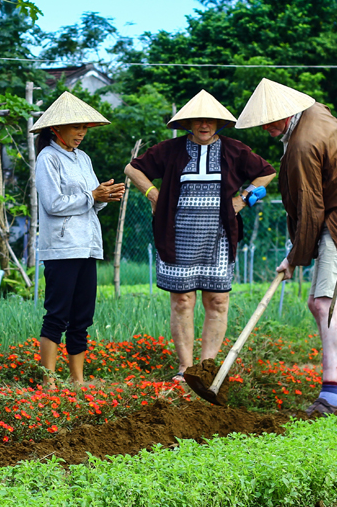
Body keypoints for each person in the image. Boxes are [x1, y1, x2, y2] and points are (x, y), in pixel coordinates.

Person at [235, 78, 337, 417]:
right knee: (320, 304)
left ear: (288, 111)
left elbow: (310, 207)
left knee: (324, 303)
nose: (267, 127)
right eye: (262, 121)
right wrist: (295, 255)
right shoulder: (313, 113)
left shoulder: (303, 142)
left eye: (272, 119)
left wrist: (294, 258)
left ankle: (331, 395)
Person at [125, 90, 276, 382]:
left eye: (210, 121)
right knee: (182, 300)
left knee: (217, 299)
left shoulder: (234, 149)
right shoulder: (170, 149)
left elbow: (266, 173)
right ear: (189, 123)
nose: (204, 125)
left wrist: (244, 198)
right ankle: (185, 369)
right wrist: (153, 194)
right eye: (198, 121)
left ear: (218, 123)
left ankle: (206, 370)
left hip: (219, 234)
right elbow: (132, 168)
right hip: (176, 233)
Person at [32, 92, 124, 387]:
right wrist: (91, 196)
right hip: (61, 248)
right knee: (57, 313)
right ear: (56, 129)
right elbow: (53, 204)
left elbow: (91, 201)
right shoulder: (47, 157)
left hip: (87, 245)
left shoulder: (82, 158)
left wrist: (104, 196)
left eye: (85, 127)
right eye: (76, 127)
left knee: (82, 316)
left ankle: (77, 379)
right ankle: (48, 380)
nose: (82, 133)